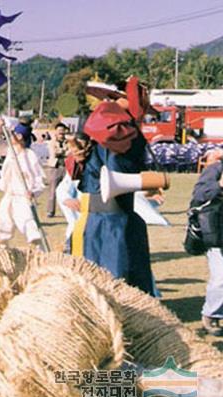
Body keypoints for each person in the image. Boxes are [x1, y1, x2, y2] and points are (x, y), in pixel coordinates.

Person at [71, 76, 155, 295]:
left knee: (92, 280)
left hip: (94, 216)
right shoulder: (118, 130)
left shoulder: (99, 124)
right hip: (112, 221)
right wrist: (146, 182)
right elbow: (117, 172)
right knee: (114, 280)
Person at [0, 126, 45, 246]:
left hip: (23, 198)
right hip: (9, 196)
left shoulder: (30, 156)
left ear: (20, 136)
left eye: (13, 134)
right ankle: (0, 254)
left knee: (30, 228)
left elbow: (38, 179)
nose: (10, 136)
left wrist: (34, 192)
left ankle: (40, 253)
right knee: (0, 229)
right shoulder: (10, 151)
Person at [189, 149, 223, 335]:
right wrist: (219, 185)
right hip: (218, 232)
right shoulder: (216, 169)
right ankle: (211, 314)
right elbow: (199, 194)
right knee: (221, 279)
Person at [46, 122, 70, 218]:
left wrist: (63, 152)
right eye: (59, 131)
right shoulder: (51, 142)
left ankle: (67, 211)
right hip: (55, 167)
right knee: (52, 191)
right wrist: (64, 151)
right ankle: (50, 211)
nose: (61, 133)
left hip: (66, 167)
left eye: (62, 131)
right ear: (55, 131)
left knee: (67, 190)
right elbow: (55, 153)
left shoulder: (68, 141)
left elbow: (70, 152)